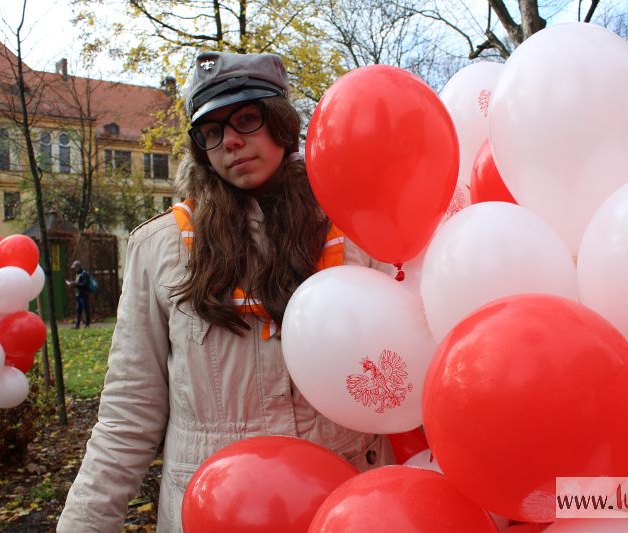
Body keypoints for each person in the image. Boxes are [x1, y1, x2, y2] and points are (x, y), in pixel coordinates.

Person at [57, 51, 395, 532]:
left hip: (344, 505)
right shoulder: (158, 246)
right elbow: (128, 413)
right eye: (211, 131)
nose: (230, 141)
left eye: (247, 118)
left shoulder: (349, 227)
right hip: (214, 512)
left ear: (281, 122)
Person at [66, 260, 91, 328]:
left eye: (75, 268)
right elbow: (78, 283)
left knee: (86, 309)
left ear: (79, 267)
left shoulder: (84, 274)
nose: (75, 269)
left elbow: (85, 284)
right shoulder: (78, 274)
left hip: (84, 294)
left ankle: (87, 324)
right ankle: (77, 325)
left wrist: (75, 284)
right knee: (78, 310)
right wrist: (73, 284)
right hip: (79, 295)